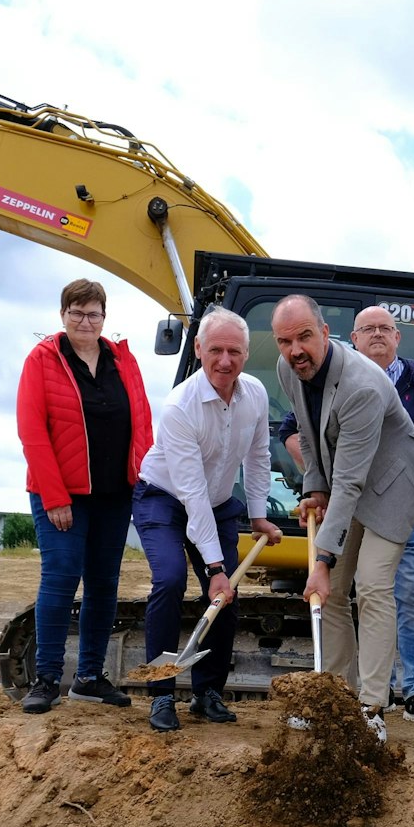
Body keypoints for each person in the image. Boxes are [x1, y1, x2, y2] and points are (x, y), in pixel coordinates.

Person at [277, 305, 414, 724]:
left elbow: (352, 483)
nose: (295, 350)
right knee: (333, 590)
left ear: (324, 331)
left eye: (303, 337)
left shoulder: (362, 386)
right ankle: (335, 698)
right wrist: (315, 488)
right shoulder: (290, 370)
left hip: (394, 485)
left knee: (372, 584)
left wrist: (320, 559)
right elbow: (309, 432)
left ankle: (372, 707)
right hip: (350, 477)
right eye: (284, 341)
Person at [131, 309, 283, 732]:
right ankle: (162, 697)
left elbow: (257, 458)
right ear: (198, 349)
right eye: (215, 349)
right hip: (163, 498)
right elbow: (190, 490)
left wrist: (257, 516)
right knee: (171, 579)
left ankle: (206, 692)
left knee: (226, 596)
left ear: (246, 354)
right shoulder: (180, 406)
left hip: (217, 504)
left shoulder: (254, 394)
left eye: (234, 351)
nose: (225, 360)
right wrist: (214, 567)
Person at [14, 278, 153, 715]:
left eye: (93, 314)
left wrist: (143, 481)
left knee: (103, 585)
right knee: (60, 579)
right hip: (62, 497)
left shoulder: (123, 361)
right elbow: (32, 431)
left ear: (104, 318)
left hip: (114, 494)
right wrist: (55, 497)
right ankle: (47, 678)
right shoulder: (42, 360)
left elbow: (143, 424)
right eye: (77, 312)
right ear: (62, 316)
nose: (85, 321)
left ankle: (90, 677)